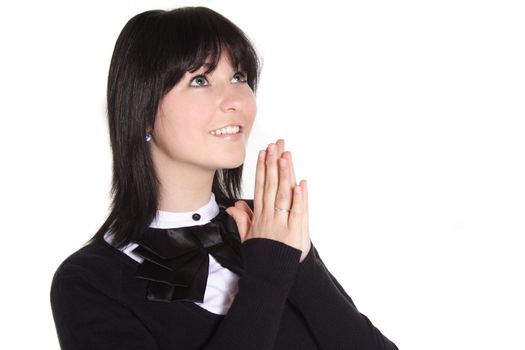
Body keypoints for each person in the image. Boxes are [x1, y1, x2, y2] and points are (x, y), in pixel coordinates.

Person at [50, 6, 398, 350]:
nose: (235, 101)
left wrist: (301, 262)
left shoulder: (267, 225)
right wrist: (269, 273)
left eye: (239, 77)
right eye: (200, 80)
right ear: (141, 110)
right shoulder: (88, 282)